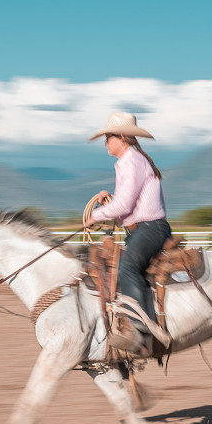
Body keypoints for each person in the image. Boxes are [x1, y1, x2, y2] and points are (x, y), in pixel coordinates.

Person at [84, 112, 171, 352]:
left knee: (127, 268)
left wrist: (96, 216)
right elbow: (124, 205)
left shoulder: (131, 161)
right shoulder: (130, 161)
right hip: (142, 229)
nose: (106, 142)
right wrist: (106, 204)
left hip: (151, 228)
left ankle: (138, 330)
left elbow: (123, 206)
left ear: (122, 137)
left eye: (109, 137)